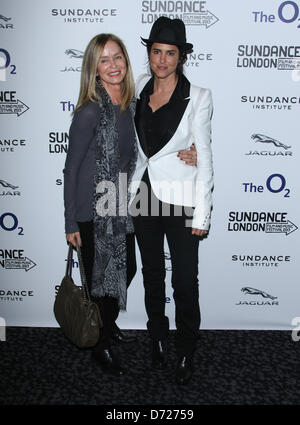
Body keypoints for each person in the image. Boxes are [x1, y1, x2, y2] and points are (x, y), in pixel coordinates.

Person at [63, 33, 197, 377]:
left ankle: (106, 323)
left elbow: (157, 142)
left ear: (126, 60)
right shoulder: (89, 112)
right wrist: (71, 222)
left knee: (125, 271)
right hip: (91, 208)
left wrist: (192, 151)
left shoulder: (131, 105)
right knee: (100, 281)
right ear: (93, 69)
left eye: (118, 57)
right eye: (104, 60)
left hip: (119, 198)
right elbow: (71, 167)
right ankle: (100, 342)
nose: (113, 66)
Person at [130, 17, 213, 385]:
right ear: (149, 54)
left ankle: (186, 348)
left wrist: (203, 214)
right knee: (152, 276)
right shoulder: (137, 89)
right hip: (143, 195)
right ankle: (158, 340)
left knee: (184, 280)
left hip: (181, 200)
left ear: (181, 57)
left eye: (170, 53)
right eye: (157, 52)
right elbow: (136, 148)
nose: (162, 60)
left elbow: (205, 157)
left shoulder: (198, 97)